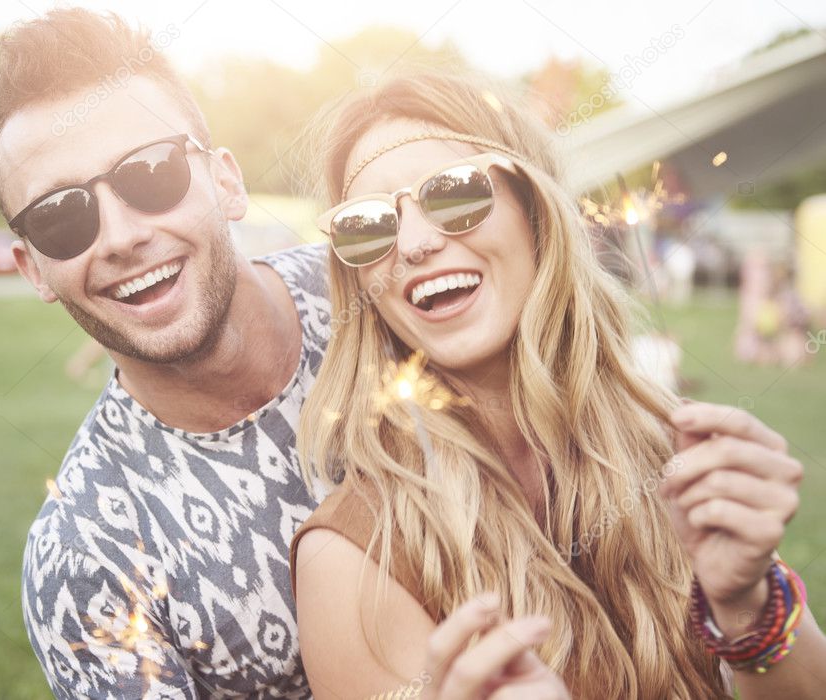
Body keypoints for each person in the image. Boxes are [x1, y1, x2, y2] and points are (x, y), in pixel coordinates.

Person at [289, 72, 824, 699]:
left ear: (535, 210)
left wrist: (746, 607)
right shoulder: (354, 562)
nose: (413, 243)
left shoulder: (673, 450)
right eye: (367, 225)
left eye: (453, 194)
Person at [0, 9, 331, 698]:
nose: (118, 236)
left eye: (150, 173)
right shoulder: (86, 559)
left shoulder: (385, 296)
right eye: (61, 215)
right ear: (33, 271)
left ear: (226, 183)